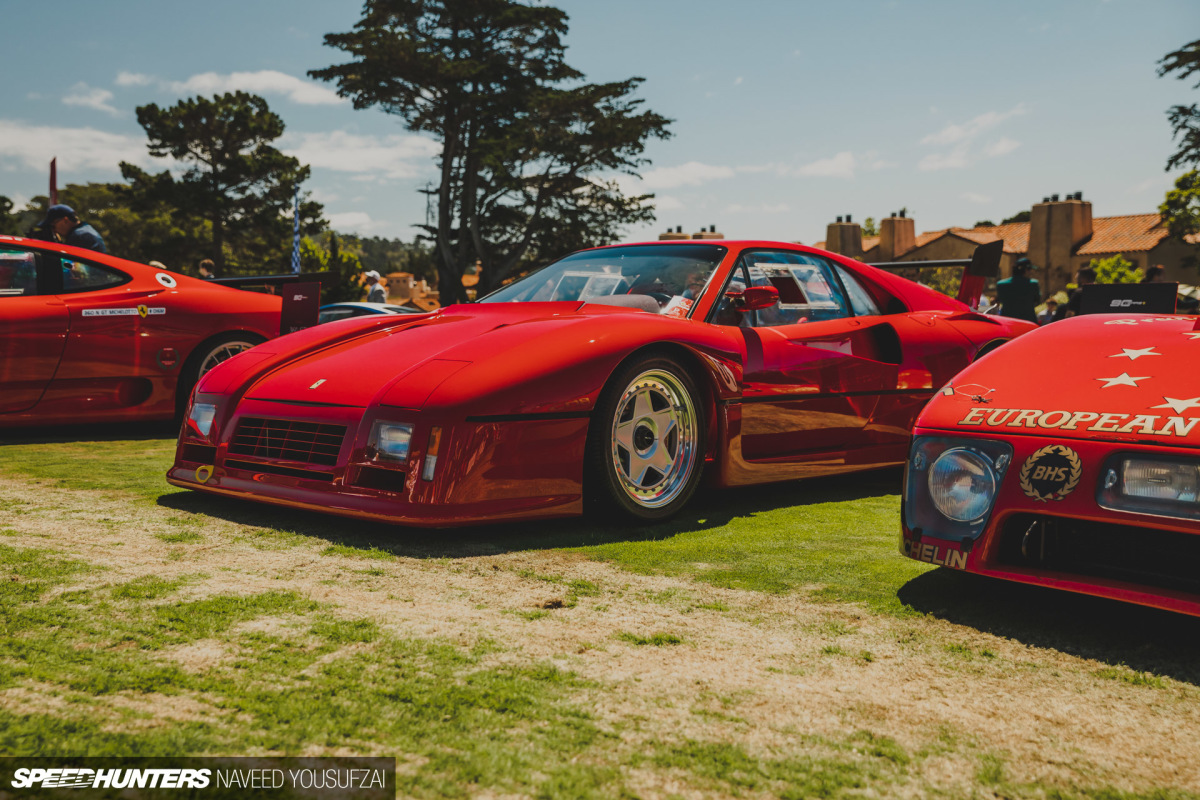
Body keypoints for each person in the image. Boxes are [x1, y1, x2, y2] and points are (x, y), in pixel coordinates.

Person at [35, 205, 107, 254]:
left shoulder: (80, 237)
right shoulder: (83, 231)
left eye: (53, 226)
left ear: (65, 220)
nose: (54, 230)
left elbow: (70, 267)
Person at [994, 257, 1040, 323]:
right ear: (1025, 270)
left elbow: (1000, 300)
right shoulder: (1033, 284)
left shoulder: (1001, 284)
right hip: (1028, 322)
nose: (1030, 272)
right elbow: (1037, 301)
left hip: (1007, 321)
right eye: (1029, 269)